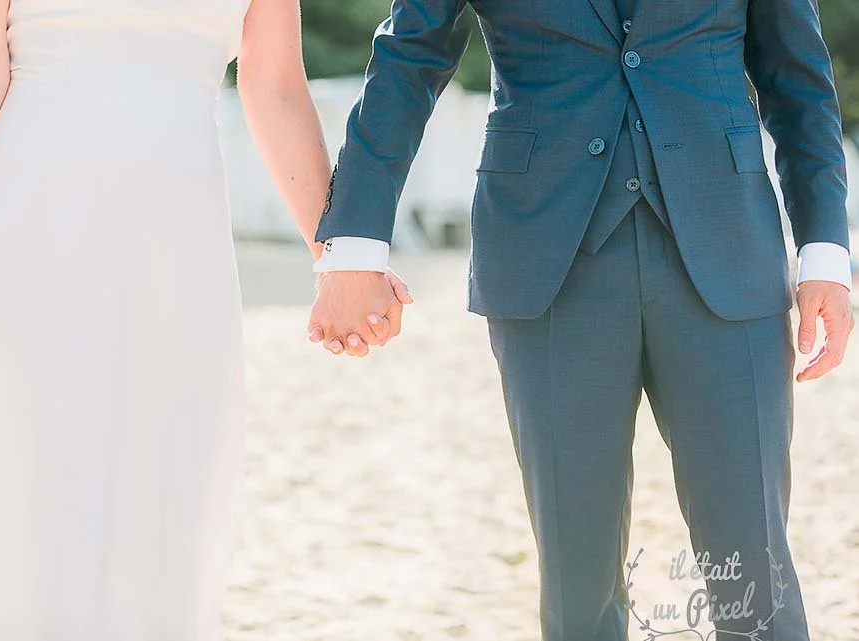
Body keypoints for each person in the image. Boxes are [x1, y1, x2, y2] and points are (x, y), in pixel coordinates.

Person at [0, 0, 407, 638]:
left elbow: (273, 87)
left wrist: (338, 261)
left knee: (153, 479)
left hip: (175, 242)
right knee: (4, 465)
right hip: (29, 224)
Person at [308, 1, 854, 639]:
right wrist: (353, 247)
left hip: (726, 253)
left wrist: (825, 252)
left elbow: (798, 76)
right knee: (577, 582)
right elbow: (410, 54)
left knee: (755, 574)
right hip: (548, 261)